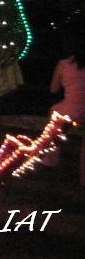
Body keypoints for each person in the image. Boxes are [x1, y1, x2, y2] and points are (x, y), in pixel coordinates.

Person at [40, 33, 85, 184]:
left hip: (69, 110)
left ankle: (49, 160)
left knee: (54, 118)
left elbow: (53, 89)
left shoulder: (64, 64)